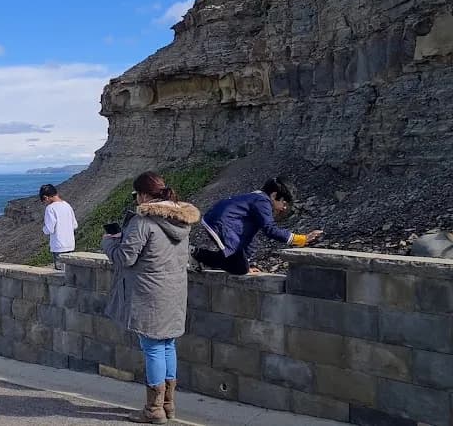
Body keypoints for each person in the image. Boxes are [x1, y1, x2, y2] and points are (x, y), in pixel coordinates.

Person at [101, 171, 199, 423]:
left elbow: (125, 258)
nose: (136, 199)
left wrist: (109, 243)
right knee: (167, 345)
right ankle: (168, 406)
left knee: (153, 347)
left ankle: (154, 410)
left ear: (144, 195)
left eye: (136, 194)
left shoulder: (143, 221)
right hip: (174, 292)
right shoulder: (181, 221)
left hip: (149, 293)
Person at [192, 177, 323, 275]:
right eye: (284, 203)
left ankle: (201, 259)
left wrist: (247, 263)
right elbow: (270, 230)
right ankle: (196, 254)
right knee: (239, 268)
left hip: (220, 221)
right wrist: (302, 239)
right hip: (220, 224)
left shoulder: (257, 197)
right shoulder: (263, 202)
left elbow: (249, 239)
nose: (284, 208)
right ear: (274, 195)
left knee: (241, 263)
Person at [39, 184, 79, 270]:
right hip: (70, 244)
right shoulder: (67, 205)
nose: (45, 203)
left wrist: (44, 229)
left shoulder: (50, 208)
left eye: (44, 201)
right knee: (70, 272)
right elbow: (75, 225)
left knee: (61, 273)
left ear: (46, 197)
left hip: (58, 246)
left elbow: (49, 229)